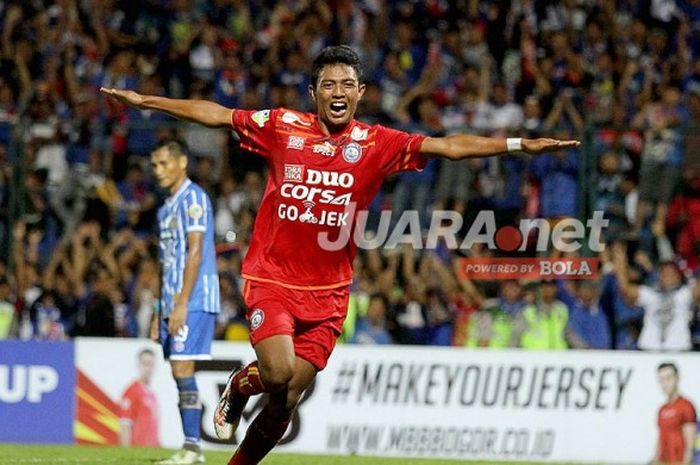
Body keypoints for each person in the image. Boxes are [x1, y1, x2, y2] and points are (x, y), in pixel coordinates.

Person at [101, 45, 579, 465]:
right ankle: (238, 386)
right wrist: (149, 103)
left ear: (361, 92)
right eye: (328, 83)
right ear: (313, 92)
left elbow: (449, 146)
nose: (338, 90)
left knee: (286, 401)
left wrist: (518, 144)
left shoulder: (377, 143)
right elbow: (217, 113)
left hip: (329, 294)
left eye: (347, 84)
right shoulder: (282, 127)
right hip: (272, 278)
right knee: (278, 372)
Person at [150, 141, 220, 464]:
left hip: (193, 298)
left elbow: (195, 252)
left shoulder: (194, 199)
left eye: (164, 163)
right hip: (171, 301)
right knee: (178, 370)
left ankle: (193, 448)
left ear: (182, 162)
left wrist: (181, 303)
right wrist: (157, 309)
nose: (158, 171)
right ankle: (190, 445)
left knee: (182, 366)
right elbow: (165, 262)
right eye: (155, 166)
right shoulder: (165, 208)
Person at [654, 362, 697, 465]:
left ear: (677, 379)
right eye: (661, 380)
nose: (665, 384)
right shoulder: (662, 409)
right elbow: (660, 439)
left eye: (668, 378)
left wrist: (686, 462)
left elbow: (690, 444)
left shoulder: (686, 406)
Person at [120, 348, 160, 447]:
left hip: (151, 449)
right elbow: (125, 425)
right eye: (145, 364)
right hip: (138, 449)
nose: (148, 368)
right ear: (138, 365)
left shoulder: (152, 394)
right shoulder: (132, 391)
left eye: (150, 364)